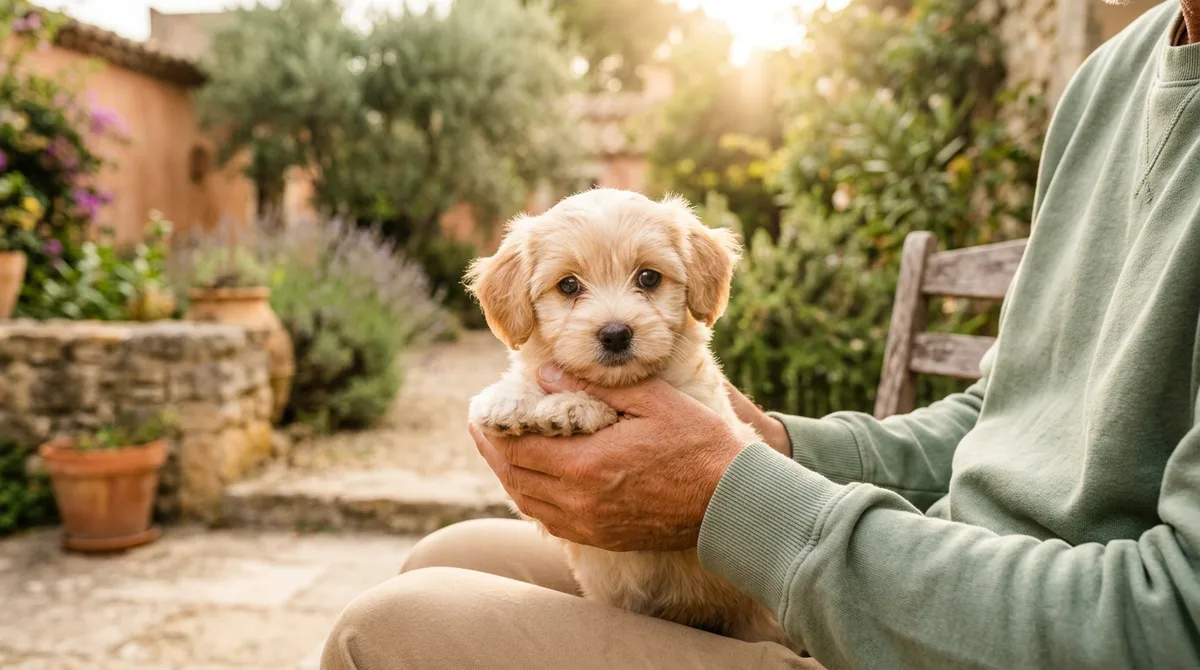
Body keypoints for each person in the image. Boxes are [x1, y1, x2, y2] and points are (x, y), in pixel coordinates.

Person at [320, 2, 1200, 668]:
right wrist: (772, 444)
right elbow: (1006, 412)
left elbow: (1173, 622)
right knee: (449, 551)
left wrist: (739, 501)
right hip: (927, 558)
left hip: (963, 627)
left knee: (385, 632)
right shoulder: (1107, 79)